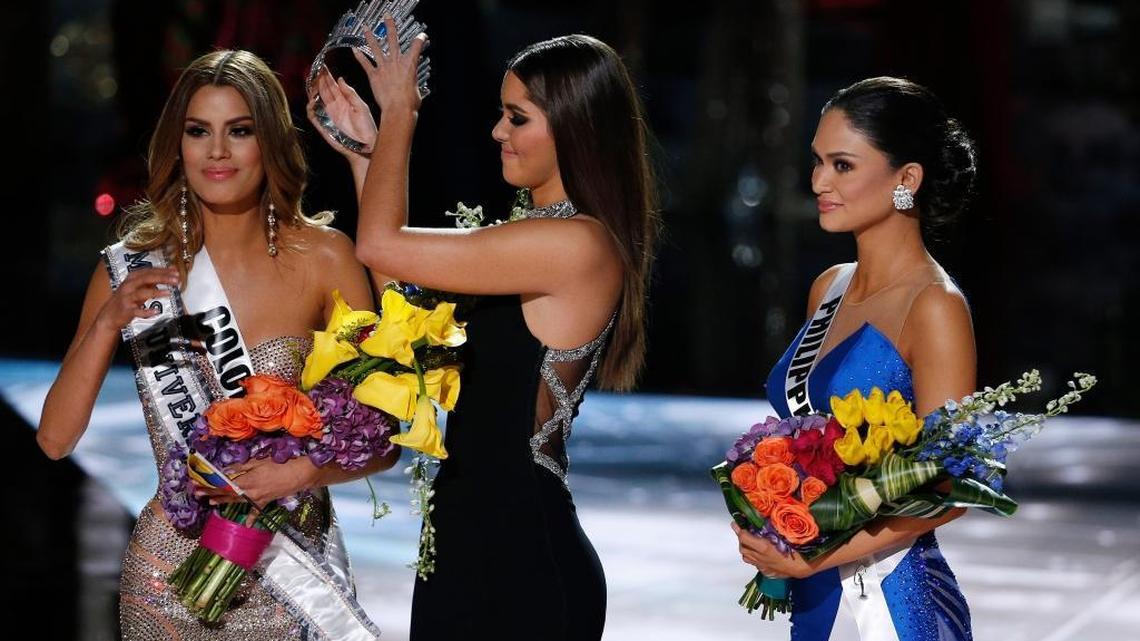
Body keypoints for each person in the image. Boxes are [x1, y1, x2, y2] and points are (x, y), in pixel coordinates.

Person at [313, 19, 658, 640]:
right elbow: (407, 314)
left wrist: (400, 113)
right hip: (465, 543)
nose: (498, 131)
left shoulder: (575, 244)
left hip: (524, 558)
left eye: (517, 117)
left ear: (574, 125)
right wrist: (368, 157)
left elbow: (380, 245)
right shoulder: (533, 238)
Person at [36, 49, 396, 639]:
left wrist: (298, 472)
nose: (217, 151)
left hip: (292, 576)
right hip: (166, 583)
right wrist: (107, 323)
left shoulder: (325, 258)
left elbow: (382, 442)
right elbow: (55, 440)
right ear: (177, 145)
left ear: (270, 142)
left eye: (240, 131)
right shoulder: (133, 269)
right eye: (199, 131)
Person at [736, 76, 979, 640]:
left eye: (842, 165)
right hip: (816, 595)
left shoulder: (935, 306)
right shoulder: (829, 288)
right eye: (818, 161)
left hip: (897, 604)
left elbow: (952, 488)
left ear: (906, 179)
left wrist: (815, 555)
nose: (819, 181)